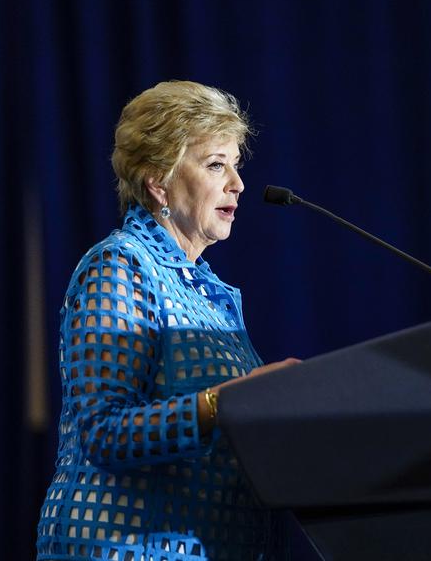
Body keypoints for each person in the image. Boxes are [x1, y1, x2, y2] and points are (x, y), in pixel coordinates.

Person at [36, 80, 299, 561]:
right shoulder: (120, 266)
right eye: (216, 164)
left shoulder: (205, 291)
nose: (237, 183)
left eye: (236, 164)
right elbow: (104, 432)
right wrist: (230, 402)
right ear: (159, 181)